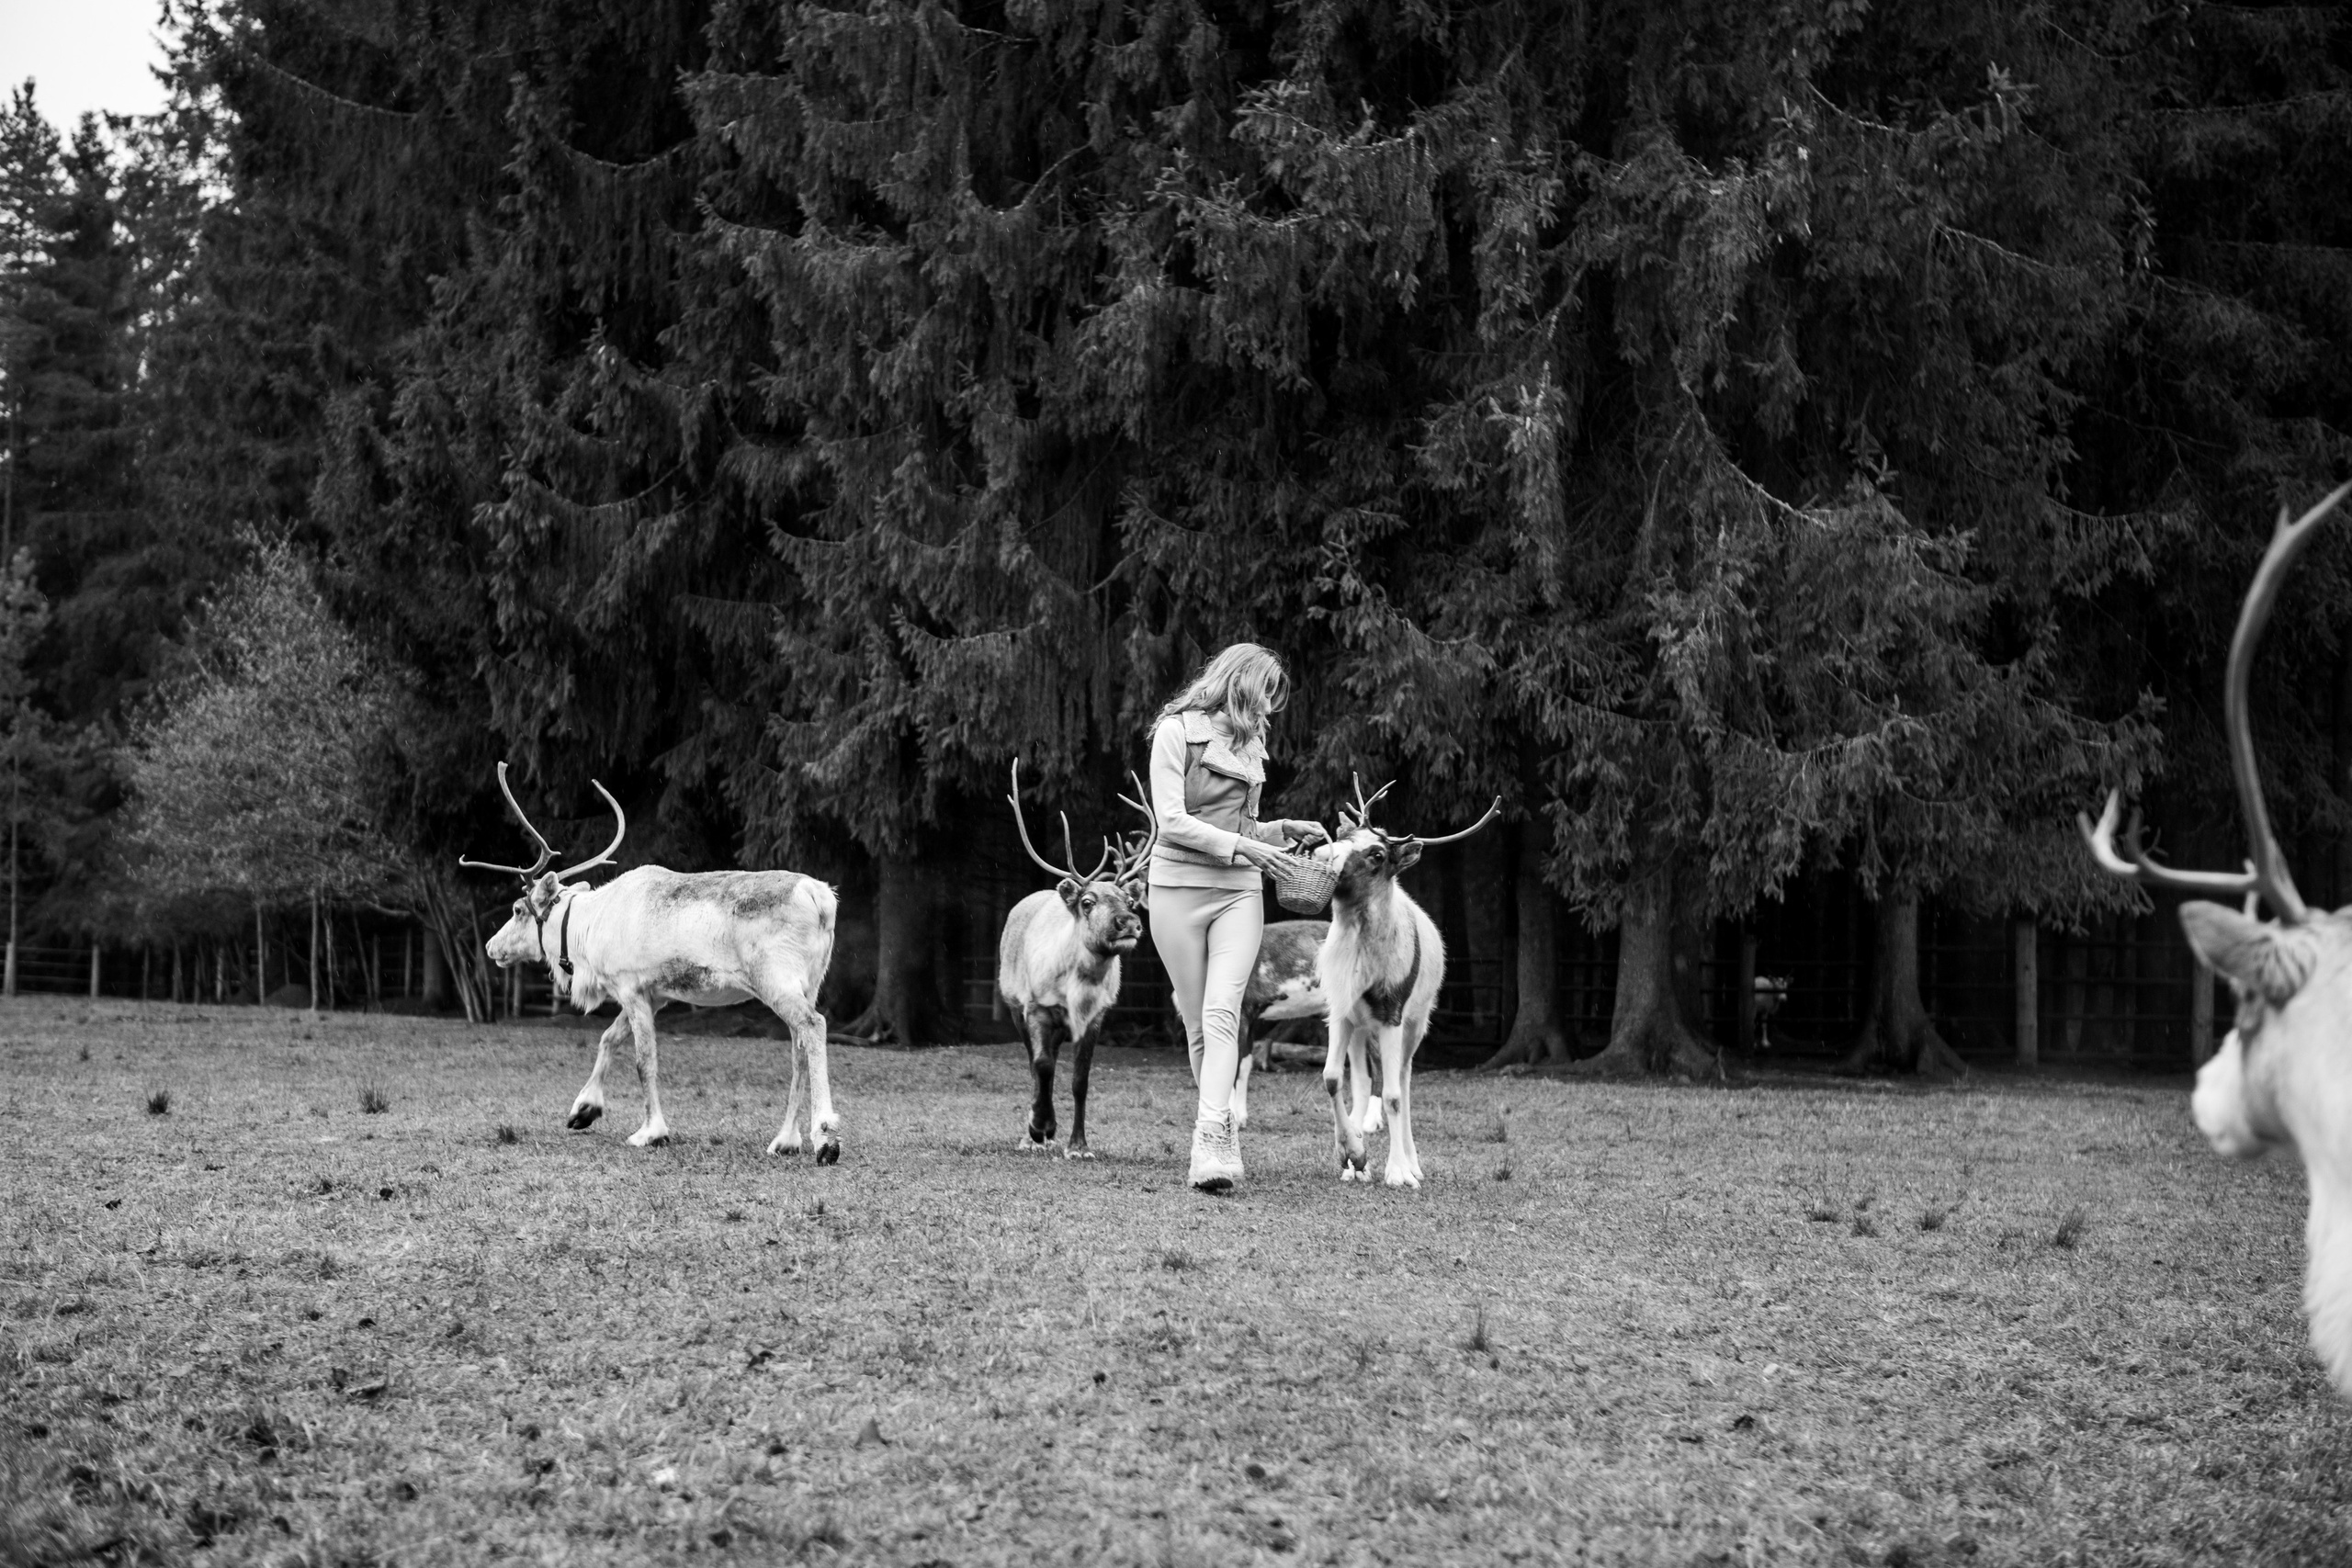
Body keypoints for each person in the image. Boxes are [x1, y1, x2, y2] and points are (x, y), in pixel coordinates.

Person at [1145, 643, 1327, 1192]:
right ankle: (1221, 1124)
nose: (1271, 708)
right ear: (1240, 684)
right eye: (1266, 694)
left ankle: (1209, 1144)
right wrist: (1248, 847)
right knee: (1198, 1024)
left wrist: (1277, 830)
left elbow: (1242, 826)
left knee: (1225, 1011)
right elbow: (1172, 821)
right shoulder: (1176, 732)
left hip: (1238, 892)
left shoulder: (1253, 743)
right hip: (1175, 888)